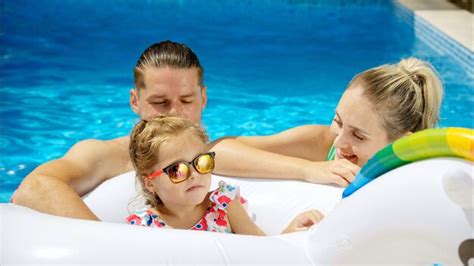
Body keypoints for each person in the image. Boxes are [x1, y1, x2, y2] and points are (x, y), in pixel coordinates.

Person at [212, 57, 443, 183]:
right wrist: (308, 168)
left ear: (401, 143)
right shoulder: (323, 143)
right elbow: (215, 152)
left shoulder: (422, 175)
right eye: (338, 121)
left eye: (358, 135)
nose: (338, 142)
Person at [126, 115, 324, 234]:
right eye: (177, 170)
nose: (194, 175)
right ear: (150, 183)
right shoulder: (142, 227)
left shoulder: (224, 205)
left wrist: (290, 232)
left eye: (201, 162)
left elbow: (260, 247)